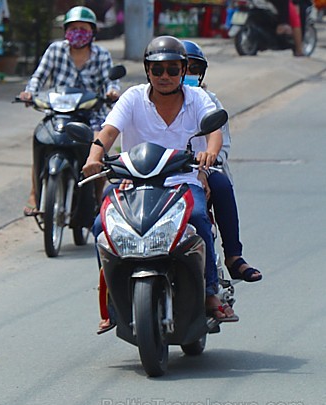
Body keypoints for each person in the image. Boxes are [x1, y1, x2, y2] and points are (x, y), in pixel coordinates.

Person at [83, 36, 239, 333]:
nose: (165, 76)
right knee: (100, 227)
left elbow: (214, 132)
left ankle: (209, 293)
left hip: (183, 181)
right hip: (133, 182)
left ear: (183, 71)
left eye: (172, 69)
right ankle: (112, 302)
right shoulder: (132, 97)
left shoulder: (197, 99)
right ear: (147, 71)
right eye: (158, 70)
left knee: (198, 220)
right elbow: (108, 131)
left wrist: (210, 153)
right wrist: (94, 155)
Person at [18, 6, 121, 216]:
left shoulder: (101, 55)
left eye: (83, 28)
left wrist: (112, 92)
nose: (78, 32)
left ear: (92, 32)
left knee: (99, 150)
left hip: (91, 114)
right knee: (41, 140)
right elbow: (39, 76)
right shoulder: (55, 50)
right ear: (66, 31)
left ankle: (96, 198)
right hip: (59, 113)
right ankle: (34, 193)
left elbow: (112, 82)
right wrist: (29, 93)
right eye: (73, 28)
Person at [182, 39, 262, 283]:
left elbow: (220, 143)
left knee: (222, 186)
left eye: (193, 69)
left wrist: (205, 165)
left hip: (200, 169)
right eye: (177, 68)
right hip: (159, 171)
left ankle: (233, 256)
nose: (185, 75)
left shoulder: (207, 101)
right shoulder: (143, 100)